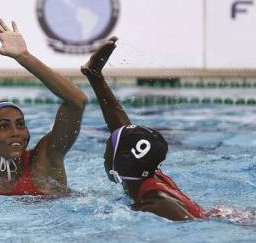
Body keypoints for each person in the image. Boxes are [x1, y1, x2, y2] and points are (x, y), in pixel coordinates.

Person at [0, 18, 88, 196]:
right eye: (4, 126)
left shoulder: (46, 160)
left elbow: (76, 101)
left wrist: (24, 57)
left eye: (20, 124)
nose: (16, 132)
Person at [81, 37, 206, 220]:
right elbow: (124, 133)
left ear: (122, 163)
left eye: (109, 148)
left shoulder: (156, 204)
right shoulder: (143, 174)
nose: (104, 155)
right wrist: (94, 76)